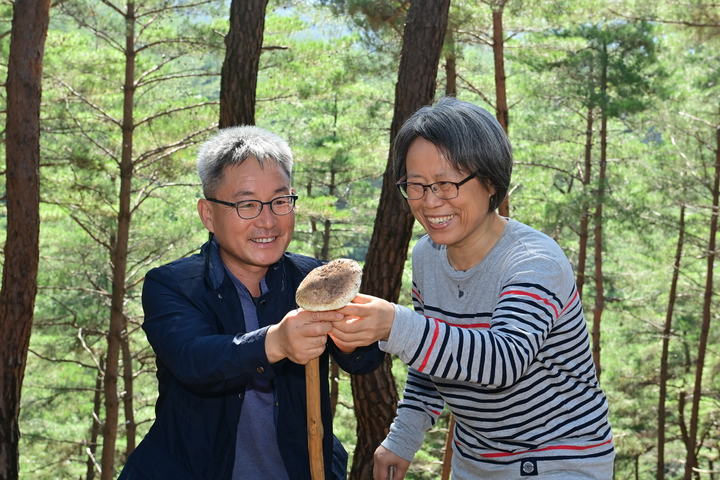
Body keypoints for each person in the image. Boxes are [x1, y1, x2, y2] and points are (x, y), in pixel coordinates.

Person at [329, 97, 615, 480]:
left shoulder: (533, 262)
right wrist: (403, 438)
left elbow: (504, 361)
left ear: (491, 181)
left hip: (561, 459)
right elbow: (431, 360)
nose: (431, 202)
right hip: (476, 462)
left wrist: (394, 324)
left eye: (447, 184)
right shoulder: (428, 257)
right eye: (416, 186)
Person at [119, 125, 385, 479]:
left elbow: (363, 362)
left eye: (279, 201)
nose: (267, 220)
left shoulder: (313, 279)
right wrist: (275, 342)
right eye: (246, 204)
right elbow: (196, 361)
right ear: (208, 215)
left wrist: (358, 338)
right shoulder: (172, 285)